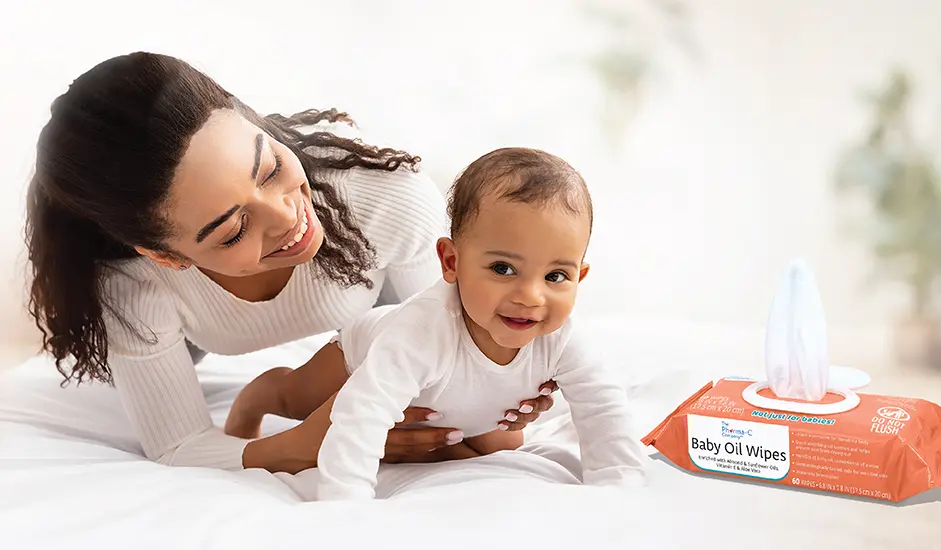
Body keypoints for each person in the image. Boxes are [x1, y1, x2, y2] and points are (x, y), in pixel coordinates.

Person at [23, 51, 556, 474]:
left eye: (270, 165)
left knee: (489, 436)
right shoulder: (138, 288)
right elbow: (178, 445)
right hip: (190, 330)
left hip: (378, 312)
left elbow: (451, 355)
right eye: (233, 230)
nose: (286, 218)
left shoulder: (383, 197)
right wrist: (299, 444)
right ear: (166, 255)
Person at [226, 147, 648, 500]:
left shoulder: (563, 336)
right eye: (503, 268)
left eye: (556, 276)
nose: (531, 296)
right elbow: (362, 412)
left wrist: (620, 488)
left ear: (580, 276)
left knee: (501, 443)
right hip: (362, 356)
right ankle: (258, 394)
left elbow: (603, 408)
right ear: (451, 262)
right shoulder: (421, 332)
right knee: (298, 399)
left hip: (458, 401)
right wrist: (345, 505)